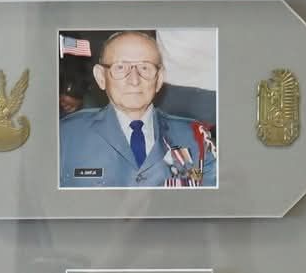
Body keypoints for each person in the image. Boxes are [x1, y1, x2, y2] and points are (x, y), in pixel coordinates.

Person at [59, 31, 217, 188]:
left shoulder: (196, 138)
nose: (134, 80)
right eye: (120, 67)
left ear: (159, 78)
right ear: (101, 77)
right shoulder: (65, 136)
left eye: (145, 68)